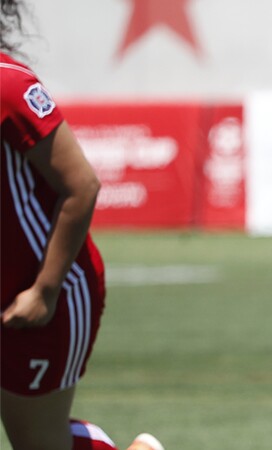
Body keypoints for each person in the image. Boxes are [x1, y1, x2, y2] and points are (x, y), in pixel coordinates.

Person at [0, 1, 163, 448]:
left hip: (46, 295)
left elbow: (82, 187)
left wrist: (44, 292)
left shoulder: (8, 85)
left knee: (39, 443)